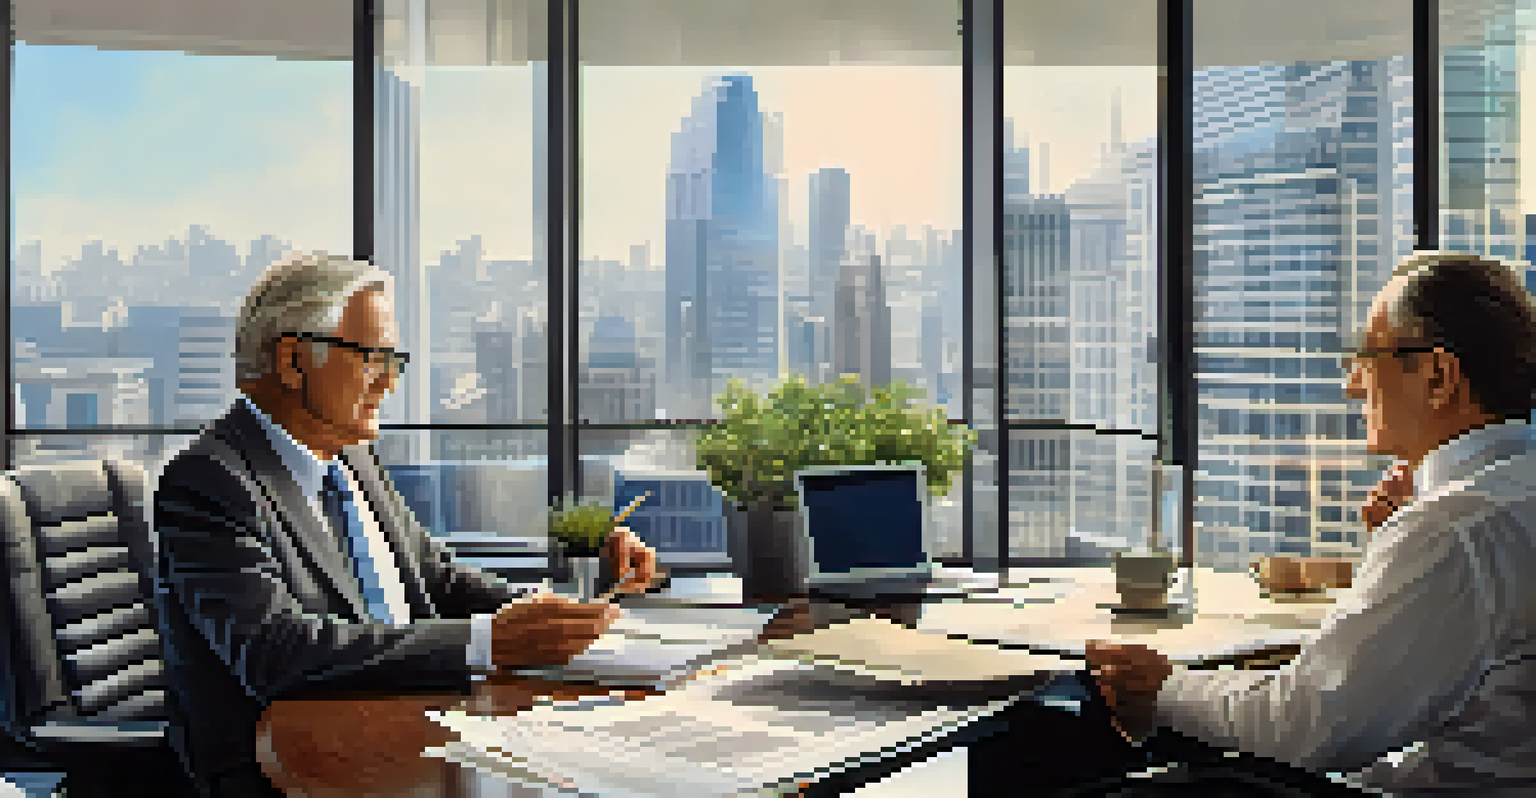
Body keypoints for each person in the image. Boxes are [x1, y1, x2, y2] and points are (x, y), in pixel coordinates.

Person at [155, 252, 659, 797]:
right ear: (292, 361)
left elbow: (435, 578)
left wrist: (557, 614)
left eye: (395, 361)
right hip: (282, 766)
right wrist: (488, 640)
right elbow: (275, 653)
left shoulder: (352, 461)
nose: (389, 382)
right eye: (373, 357)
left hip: (408, 723)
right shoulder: (210, 481)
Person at [1086, 251, 1536, 795]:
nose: (1352, 385)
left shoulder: (1452, 531)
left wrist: (1162, 688)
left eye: (1368, 357)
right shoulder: (1495, 505)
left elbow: (1307, 727)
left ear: (1439, 375)